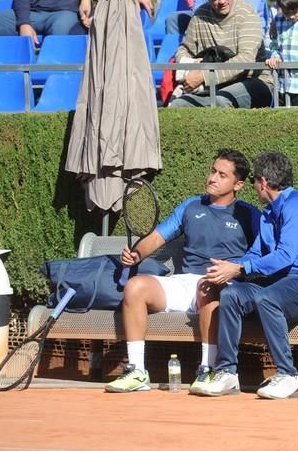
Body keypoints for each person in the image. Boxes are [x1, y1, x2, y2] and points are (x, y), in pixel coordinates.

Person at [104, 149, 261, 393]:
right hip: (184, 282)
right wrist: (136, 254)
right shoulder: (190, 206)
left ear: (238, 184)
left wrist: (237, 270)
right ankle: (137, 371)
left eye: (222, 175)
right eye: (212, 171)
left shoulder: (249, 214)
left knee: (207, 285)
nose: (212, 178)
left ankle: (208, 370)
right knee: (135, 287)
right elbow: (156, 238)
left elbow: (264, 252)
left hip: (221, 284)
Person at [194, 151, 298, 400]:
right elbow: (255, 254)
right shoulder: (268, 215)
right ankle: (226, 373)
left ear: (262, 182)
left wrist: (240, 269)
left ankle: (288, 376)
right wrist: (227, 268)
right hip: (278, 286)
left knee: (266, 298)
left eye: (254, 183)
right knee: (232, 294)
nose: (254, 188)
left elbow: (285, 256)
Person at [168, 0, 274, 108]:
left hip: (253, 81)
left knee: (221, 101)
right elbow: (184, 49)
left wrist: (204, 76)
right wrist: (189, 65)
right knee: (178, 104)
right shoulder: (199, 16)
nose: (222, 1)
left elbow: (245, 60)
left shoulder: (247, 13)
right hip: (215, 85)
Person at [0, 0, 154, 47]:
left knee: (61, 32)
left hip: (64, 13)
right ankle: (10, 75)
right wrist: (24, 23)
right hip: (34, 13)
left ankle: (54, 85)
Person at [166, 0, 270, 40]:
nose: (221, 0)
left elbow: (247, 15)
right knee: (174, 19)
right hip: (214, 26)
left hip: (244, 31)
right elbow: (198, 13)